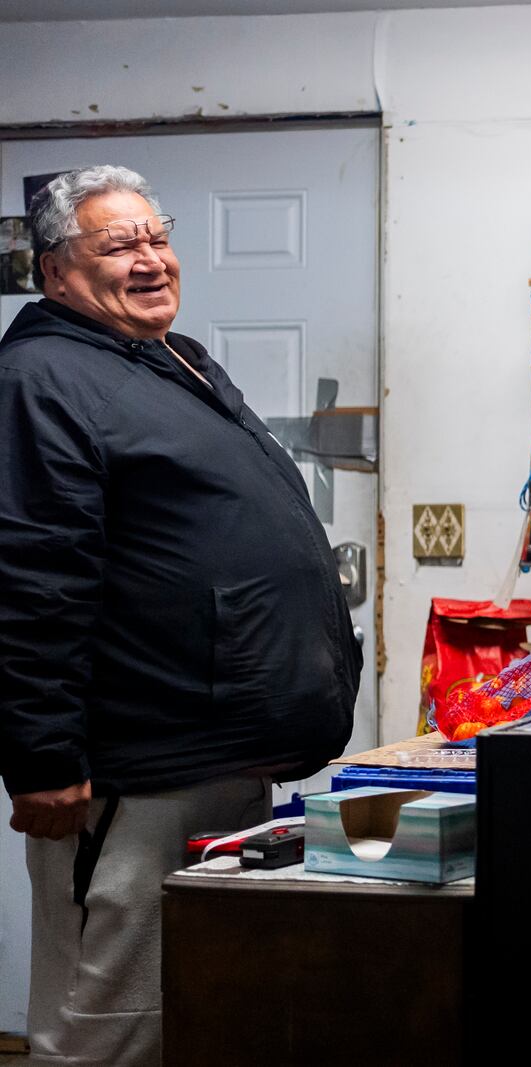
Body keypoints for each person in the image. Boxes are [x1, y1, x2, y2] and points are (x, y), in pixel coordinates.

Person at [0, 165, 359, 1066]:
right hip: (136, 769)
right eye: (117, 245)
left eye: (156, 237)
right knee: (113, 1018)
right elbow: (32, 573)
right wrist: (42, 756)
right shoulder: (41, 376)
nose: (150, 259)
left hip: (214, 747)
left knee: (193, 1001)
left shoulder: (175, 357)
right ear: (54, 273)